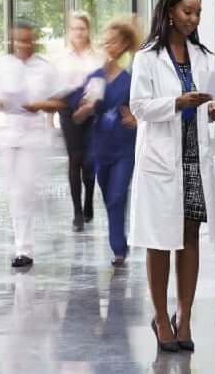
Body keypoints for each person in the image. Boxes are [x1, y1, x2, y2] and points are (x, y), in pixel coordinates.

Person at [129, 0, 215, 353]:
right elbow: (138, 107)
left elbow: (203, 107)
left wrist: (209, 110)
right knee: (159, 240)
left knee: (189, 237)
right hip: (161, 160)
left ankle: (184, 317)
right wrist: (177, 102)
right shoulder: (147, 58)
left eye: (198, 12)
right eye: (188, 12)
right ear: (169, 11)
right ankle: (161, 318)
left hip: (193, 160)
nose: (194, 18)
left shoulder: (202, 55)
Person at [0, 20, 66, 268]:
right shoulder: (1, 65)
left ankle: (24, 248)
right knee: (14, 192)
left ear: (34, 40)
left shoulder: (45, 68)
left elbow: (59, 102)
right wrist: (2, 102)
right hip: (9, 134)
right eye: (18, 40)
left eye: (27, 39)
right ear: (12, 41)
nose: (23, 44)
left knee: (24, 190)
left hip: (33, 135)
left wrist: (39, 105)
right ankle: (21, 243)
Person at [71, 18, 142, 266]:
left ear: (123, 45)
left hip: (124, 146)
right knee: (108, 195)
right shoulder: (95, 77)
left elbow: (143, 111)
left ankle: (119, 248)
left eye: (113, 41)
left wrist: (136, 120)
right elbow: (78, 114)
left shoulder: (132, 79)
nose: (107, 45)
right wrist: (87, 108)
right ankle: (119, 242)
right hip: (101, 147)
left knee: (117, 195)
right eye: (105, 41)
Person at [55, 11, 106, 231]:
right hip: (68, 111)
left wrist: (91, 102)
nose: (78, 32)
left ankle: (88, 201)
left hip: (92, 110)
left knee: (88, 162)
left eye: (82, 28)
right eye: (74, 28)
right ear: (69, 31)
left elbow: (102, 83)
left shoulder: (97, 56)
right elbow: (55, 89)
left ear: (88, 31)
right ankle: (77, 211)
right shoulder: (61, 58)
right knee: (74, 159)